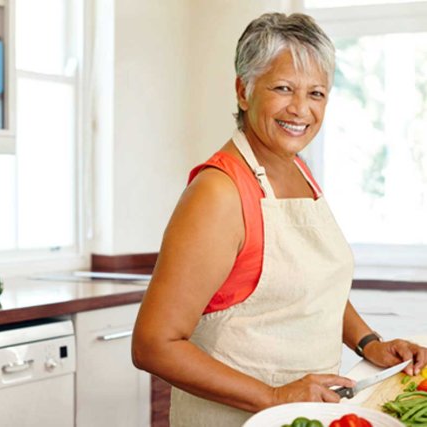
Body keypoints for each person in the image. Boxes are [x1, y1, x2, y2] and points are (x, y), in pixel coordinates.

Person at [131, 12, 427, 427]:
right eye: (283, 88)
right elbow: (152, 345)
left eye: (317, 93)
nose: (301, 109)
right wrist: (273, 396)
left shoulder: (297, 169)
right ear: (244, 91)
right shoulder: (218, 193)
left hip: (301, 416)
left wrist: (369, 343)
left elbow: (309, 285)